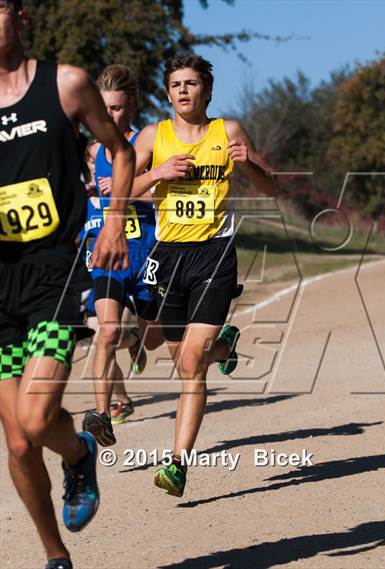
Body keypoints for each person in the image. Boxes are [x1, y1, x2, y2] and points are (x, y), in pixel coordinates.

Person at [0, 2, 135, 568]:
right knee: (18, 443)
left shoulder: (67, 83)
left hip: (55, 269)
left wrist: (111, 222)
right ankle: (56, 557)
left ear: (21, 16)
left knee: (34, 419)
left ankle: (78, 452)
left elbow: (121, 151)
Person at [131, 54, 275, 497]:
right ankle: (225, 345)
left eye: (191, 84)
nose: (183, 91)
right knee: (185, 364)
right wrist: (157, 172)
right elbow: (119, 192)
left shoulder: (227, 131)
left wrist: (248, 162)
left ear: (207, 91)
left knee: (191, 365)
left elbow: (270, 188)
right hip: (169, 255)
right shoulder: (155, 136)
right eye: (176, 84)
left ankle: (177, 464)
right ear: (168, 91)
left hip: (214, 253)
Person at [81, 65, 163, 445]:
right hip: (108, 253)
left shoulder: (145, 144)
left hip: (145, 251)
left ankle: (136, 342)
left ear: (130, 107)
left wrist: (125, 189)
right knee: (106, 330)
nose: (110, 116)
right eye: (104, 108)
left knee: (151, 340)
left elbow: (159, 195)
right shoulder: (95, 149)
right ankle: (102, 413)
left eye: (117, 108)